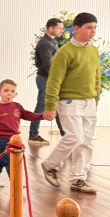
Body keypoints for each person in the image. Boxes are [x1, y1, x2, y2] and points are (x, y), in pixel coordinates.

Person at [40, 12, 101, 195]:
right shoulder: (64, 52)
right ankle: (50, 165)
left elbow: (96, 75)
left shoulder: (93, 50)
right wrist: (50, 106)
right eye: (89, 27)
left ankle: (78, 179)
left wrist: (96, 96)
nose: (92, 32)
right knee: (75, 136)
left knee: (86, 142)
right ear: (76, 29)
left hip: (89, 101)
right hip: (69, 101)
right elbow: (54, 81)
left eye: (95, 28)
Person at [0, 79, 50, 186]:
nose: (9, 93)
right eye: (6, 90)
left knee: (3, 156)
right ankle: (15, 182)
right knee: (9, 158)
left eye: (12, 91)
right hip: (1, 137)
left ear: (16, 94)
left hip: (15, 137)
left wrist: (42, 116)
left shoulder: (17, 106)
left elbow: (28, 115)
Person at [30, 18, 65, 144]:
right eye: (60, 28)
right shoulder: (45, 43)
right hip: (46, 79)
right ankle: (33, 135)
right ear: (51, 29)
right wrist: (59, 79)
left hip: (50, 79)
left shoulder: (52, 41)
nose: (62, 30)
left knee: (57, 107)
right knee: (41, 107)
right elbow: (48, 66)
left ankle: (65, 135)